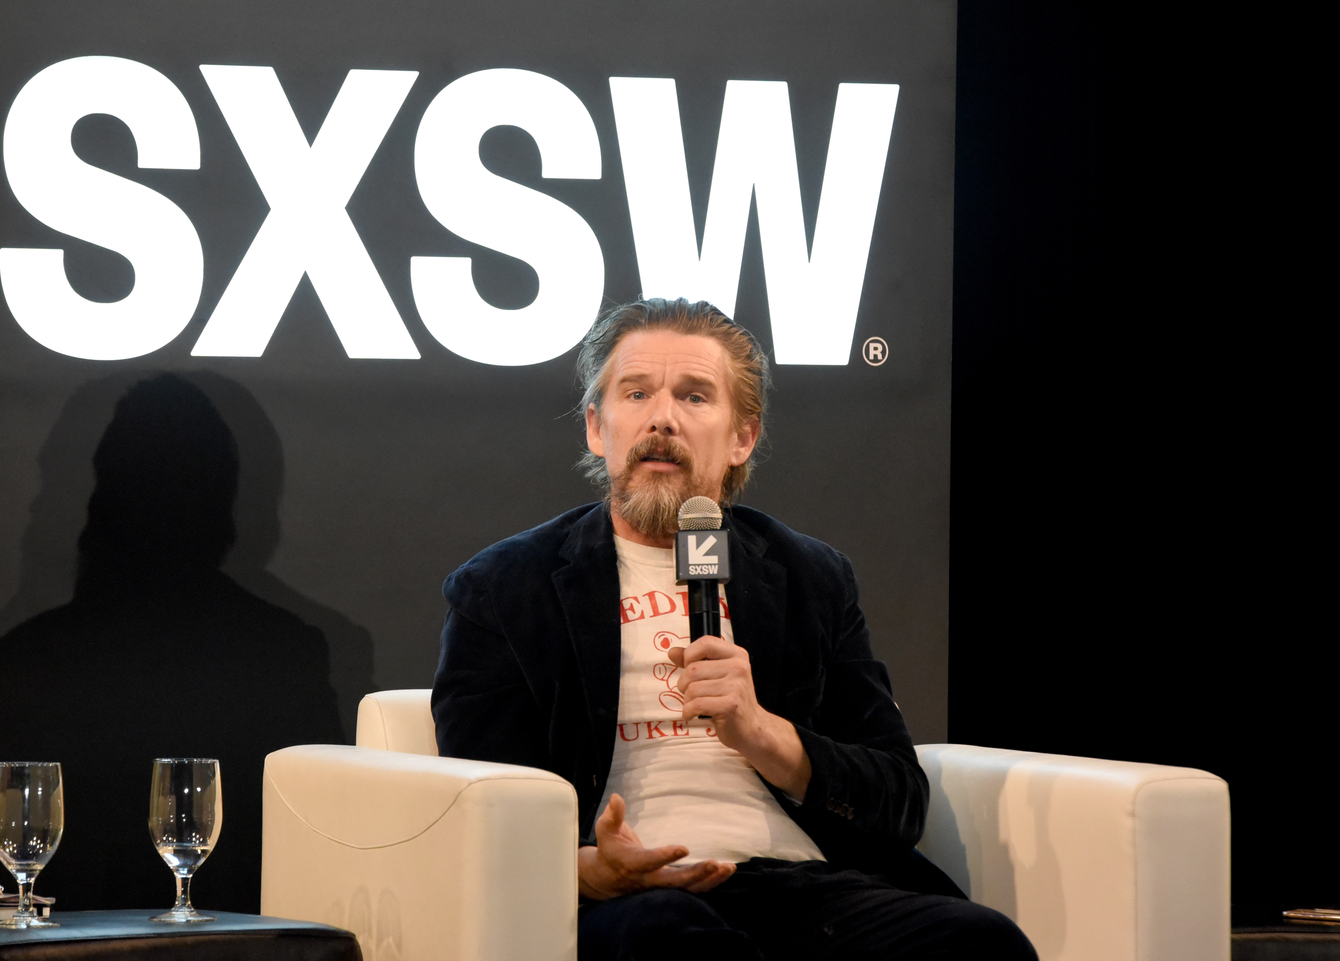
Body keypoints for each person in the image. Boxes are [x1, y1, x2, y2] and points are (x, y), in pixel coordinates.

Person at [432, 299, 1035, 960]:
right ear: (597, 428)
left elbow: (898, 800)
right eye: (636, 393)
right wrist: (586, 870)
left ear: (743, 437)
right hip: (632, 899)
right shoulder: (504, 587)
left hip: (805, 883)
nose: (662, 417)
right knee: (672, 939)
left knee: (982, 941)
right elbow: (476, 811)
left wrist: (762, 731)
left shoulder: (810, 577)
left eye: (694, 396)